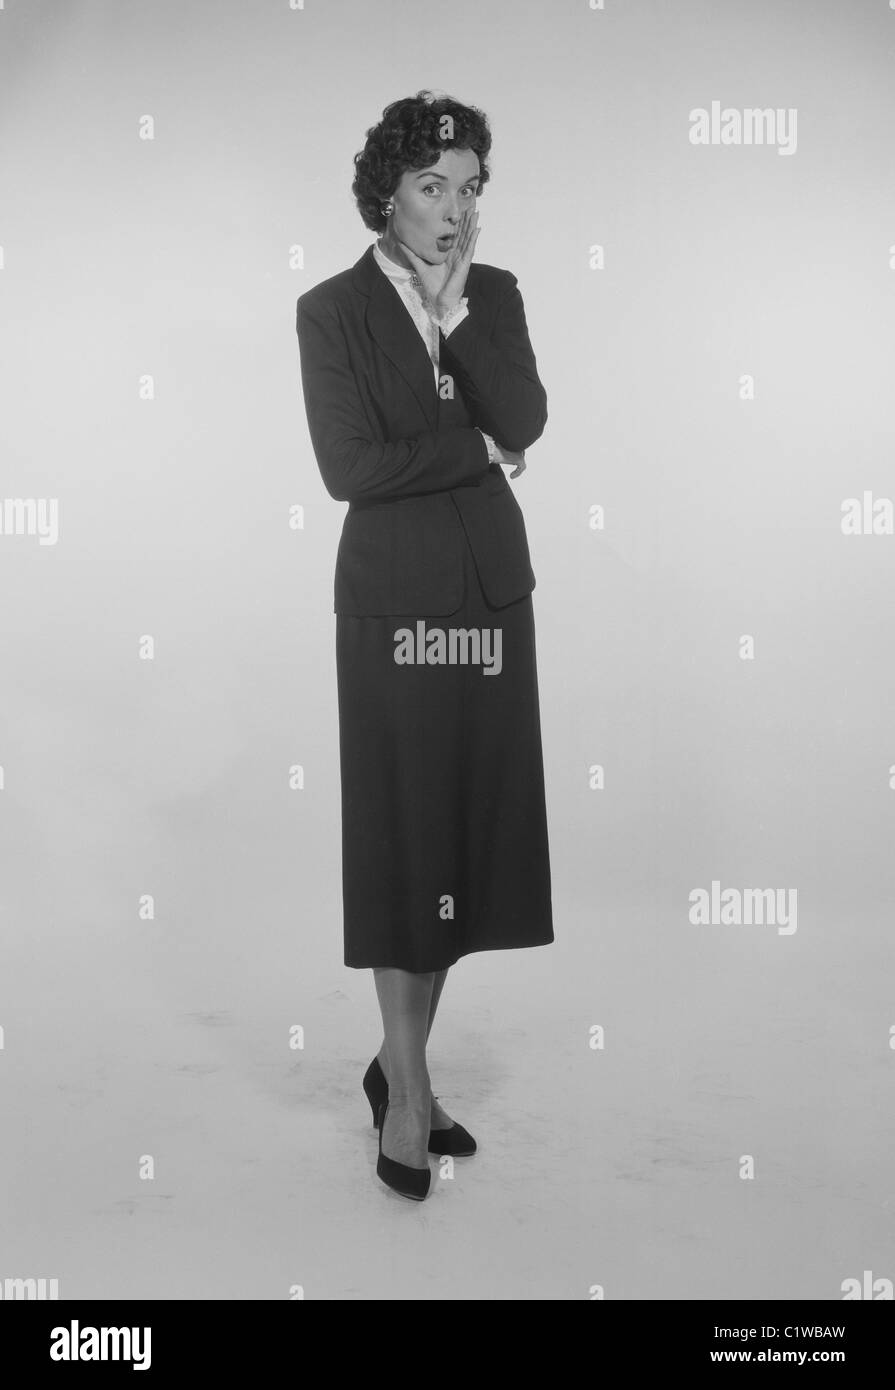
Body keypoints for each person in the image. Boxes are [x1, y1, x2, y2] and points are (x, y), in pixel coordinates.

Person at [295, 90, 554, 1201]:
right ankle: (406, 1094)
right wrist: (472, 451)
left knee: (459, 841)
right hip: (395, 609)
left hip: (491, 596)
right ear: (387, 194)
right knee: (407, 845)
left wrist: (453, 330)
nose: (455, 211)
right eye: (432, 187)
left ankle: (400, 1060)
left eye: (470, 189)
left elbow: (527, 418)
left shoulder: (491, 296)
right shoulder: (330, 311)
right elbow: (351, 471)